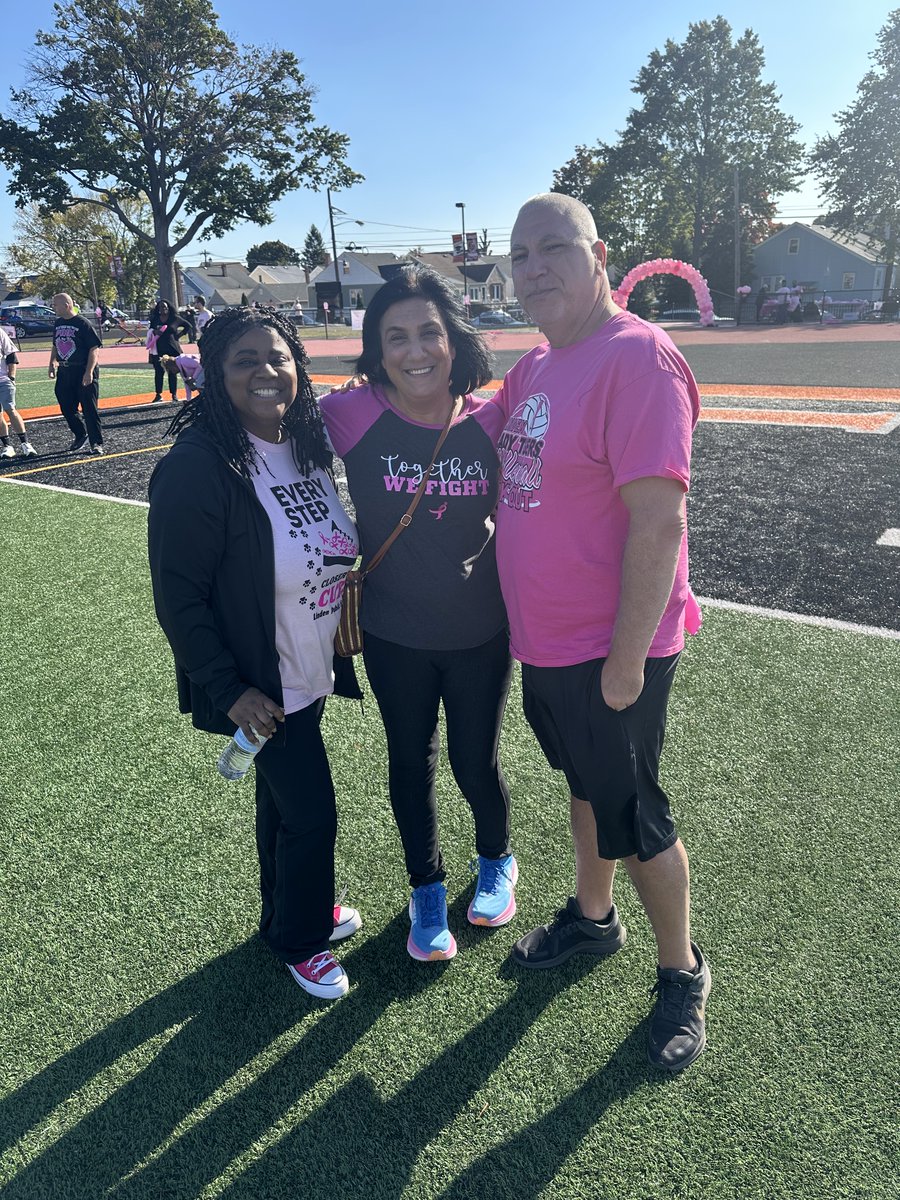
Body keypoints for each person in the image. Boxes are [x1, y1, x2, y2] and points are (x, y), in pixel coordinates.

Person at [492, 193, 710, 1074]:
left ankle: (682, 970)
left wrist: (624, 663)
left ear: (599, 256)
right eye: (520, 255)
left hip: (609, 651)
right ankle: (592, 918)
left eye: (553, 248)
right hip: (546, 644)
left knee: (637, 816)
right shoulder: (541, 363)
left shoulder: (637, 359)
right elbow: (480, 427)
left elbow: (659, 525)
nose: (534, 267)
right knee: (584, 787)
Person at [148, 306, 363, 1000]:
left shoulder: (303, 448)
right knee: (312, 813)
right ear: (214, 375)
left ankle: (286, 915)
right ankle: (301, 940)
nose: (266, 373)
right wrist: (228, 689)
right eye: (244, 361)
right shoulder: (198, 467)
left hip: (308, 667)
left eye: (277, 357)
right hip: (260, 682)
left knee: (281, 804)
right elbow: (179, 600)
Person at [319, 266, 515, 963]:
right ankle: (425, 892)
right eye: (395, 336)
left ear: (453, 338)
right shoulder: (349, 413)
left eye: (428, 331)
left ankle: (496, 860)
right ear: (377, 348)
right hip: (394, 635)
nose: (415, 350)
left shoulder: (493, 418)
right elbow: (266, 429)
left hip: (481, 633)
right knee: (410, 764)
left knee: (473, 762)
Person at [49, 292, 104, 454]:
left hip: (82, 368)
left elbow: (94, 349)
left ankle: (96, 443)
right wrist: (52, 362)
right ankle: (81, 434)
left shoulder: (83, 323)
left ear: (66, 305)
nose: (53, 307)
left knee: (89, 408)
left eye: (55, 304)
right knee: (66, 405)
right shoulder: (58, 323)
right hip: (65, 370)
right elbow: (55, 344)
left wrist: (89, 372)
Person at [0, 324, 37, 458]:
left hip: (3, 379)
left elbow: (11, 355)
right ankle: (7, 446)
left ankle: (25, 443)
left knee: (10, 409)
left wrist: (11, 376)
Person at [147, 299, 191, 402]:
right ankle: (158, 394)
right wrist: (155, 331)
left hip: (172, 349)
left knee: (172, 372)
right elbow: (150, 331)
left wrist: (178, 336)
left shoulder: (174, 318)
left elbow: (188, 326)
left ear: (169, 308)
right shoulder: (155, 319)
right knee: (159, 372)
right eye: (161, 307)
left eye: (165, 307)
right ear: (158, 309)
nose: (164, 309)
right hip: (158, 349)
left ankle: (174, 394)